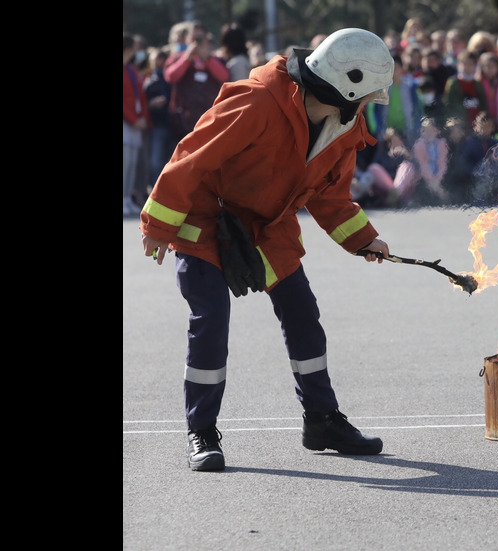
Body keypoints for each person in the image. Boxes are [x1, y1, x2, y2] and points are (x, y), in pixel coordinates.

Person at [139, 28, 395, 472]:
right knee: (211, 321)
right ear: (348, 85)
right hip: (207, 218)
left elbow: (330, 196)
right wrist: (159, 223)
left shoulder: (346, 124)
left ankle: (321, 420)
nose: (372, 102)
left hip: (268, 228)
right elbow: (191, 156)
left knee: (302, 315)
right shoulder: (257, 100)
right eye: (370, 93)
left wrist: (362, 238)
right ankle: (201, 431)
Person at [164, 21, 230, 143]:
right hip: (183, 121)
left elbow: (224, 76)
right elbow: (170, 77)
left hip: (208, 120)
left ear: (206, 38)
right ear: (187, 39)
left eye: (199, 38)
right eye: (193, 37)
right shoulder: (177, 58)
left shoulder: (215, 59)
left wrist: (208, 59)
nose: (196, 41)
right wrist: (186, 58)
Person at [124, 33, 151, 218]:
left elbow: (138, 95)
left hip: (134, 122)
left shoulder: (130, 69)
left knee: (131, 164)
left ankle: (126, 198)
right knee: (124, 163)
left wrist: (143, 118)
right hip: (126, 122)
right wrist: (134, 118)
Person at [143, 46, 174, 192]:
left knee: (171, 162)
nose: (160, 63)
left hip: (173, 125)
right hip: (157, 125)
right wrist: (152, 104)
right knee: (155, 162)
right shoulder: (149, 82)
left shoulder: (171, 80)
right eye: (157, 60)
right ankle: (155, 193)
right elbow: (142, 104)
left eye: (162, 59)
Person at [408, 116, 450, 206]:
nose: (429, 133)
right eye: (426, 131)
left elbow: (443, 163)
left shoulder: (442, 144)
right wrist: (431, 180)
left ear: (437, 132)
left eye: (432, 131)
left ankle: (442, 197)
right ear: (422, 132)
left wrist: (438, 179)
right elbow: (422, 165)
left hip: (438, 177)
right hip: (424, 177)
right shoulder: (419, 145)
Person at [443, 50, 486, 126]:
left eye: (470, 64)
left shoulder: (478, 84)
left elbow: (483, 104)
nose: (467, 67)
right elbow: (449, 104)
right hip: (459, 125)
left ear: (475, 66)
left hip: (477, 124)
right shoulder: (453, 83)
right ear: (458, 65)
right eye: (464, 64)